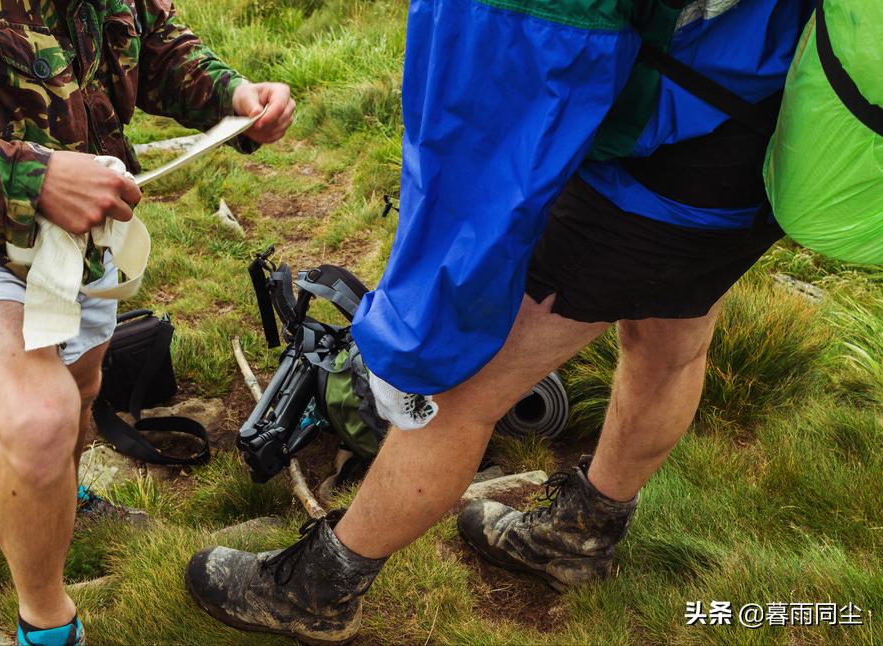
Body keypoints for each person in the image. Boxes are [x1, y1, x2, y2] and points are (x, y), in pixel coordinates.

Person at [185, 0, 817, 643]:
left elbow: (507, 100)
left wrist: (431, 317)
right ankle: (578, 539)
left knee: (462, 393)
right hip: (764, 132)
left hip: (654, 170)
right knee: (670, 341)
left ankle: (318, 590)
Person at [0, 0, 293, 643]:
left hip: (89, 231)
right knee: (39, 418)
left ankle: (68, 501)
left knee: (83, 392)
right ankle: (47, 620)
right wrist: (31, 180)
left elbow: (154, 46)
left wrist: (234, 92)